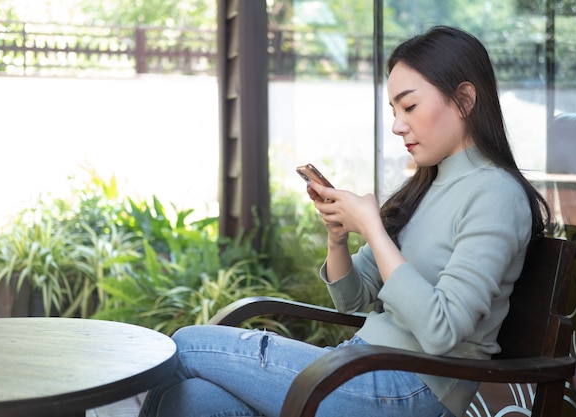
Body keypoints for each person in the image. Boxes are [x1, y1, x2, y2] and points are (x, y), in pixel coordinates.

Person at [138, 25, 551, 417]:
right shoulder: (427, 187)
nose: (396, 125)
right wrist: (338, 238)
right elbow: (354, 301)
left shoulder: (495, 194)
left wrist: (372, 225)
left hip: (413, 389)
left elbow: (441, 332)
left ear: (463, 100)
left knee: (187, 344)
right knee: (188, 399)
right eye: (393, 109)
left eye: (409, 106)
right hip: (361, 366)